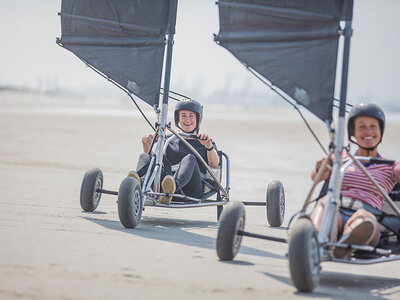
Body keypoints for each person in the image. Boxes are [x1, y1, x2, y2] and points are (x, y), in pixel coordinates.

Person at [310, 103, 400, 258]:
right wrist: (323, 167)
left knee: (364, 217)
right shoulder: (340, 160)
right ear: (353, 132)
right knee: (325, 203)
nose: (368, 132)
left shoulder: (390, 166)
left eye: (373, 126)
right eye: (362, 127)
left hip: (369, 218)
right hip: (336, 210)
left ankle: (345, 244)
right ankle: (317, 241)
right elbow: (315, 177)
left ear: (380, 131)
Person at [131, 100, 219, 205]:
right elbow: (156, 163)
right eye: (183, 116)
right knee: (144, 157)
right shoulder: (170, 140)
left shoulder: (204, 141)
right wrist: (146, 144)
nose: (187, 120)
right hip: (165, 183)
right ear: (178, 119)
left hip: (192, 189)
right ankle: (139, 184)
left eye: (191, 116)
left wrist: (208, 146)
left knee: (189, 158)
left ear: (197, 119)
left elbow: (214, 164)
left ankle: (171, 189)